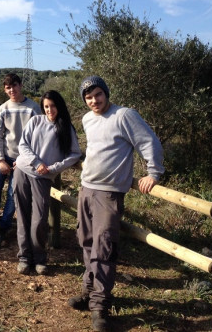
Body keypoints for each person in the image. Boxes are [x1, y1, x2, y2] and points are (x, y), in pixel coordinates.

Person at [68, 76, 164, 332]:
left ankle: (100, 306)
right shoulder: (88, 119)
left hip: (109, 193)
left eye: (98, 94)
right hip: (87, 189)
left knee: (104, 247)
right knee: (86, 242)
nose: (94, 100)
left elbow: (148, 142)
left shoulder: (124, 115)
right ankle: (89, 292)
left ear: (106, 93)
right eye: (88, 97)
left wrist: (153, 173)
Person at [14, 90, 82, 275]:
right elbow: (23, 145)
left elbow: (75, 154)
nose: (49, 110)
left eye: (52, 106)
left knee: (39, 220)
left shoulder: (66, 128)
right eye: (46, 106)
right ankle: (24, 257)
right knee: (22, 215)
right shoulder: (36, 121)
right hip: (22, 171)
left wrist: (53, 168)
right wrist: (37, 162)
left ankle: (40, 258)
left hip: (43, 178)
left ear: (59, 106)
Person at [0, 73, 41, 247]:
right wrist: (1, 159)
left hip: (23, 160)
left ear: (20, 85)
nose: (12, 90)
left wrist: (24, 160)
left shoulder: (33, 108)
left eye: (14, 86)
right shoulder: (3, 109)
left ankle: (3, 227)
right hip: (4, 156)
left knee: (13, 194)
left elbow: (38, 137)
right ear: (5, 89)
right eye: (8, 87)